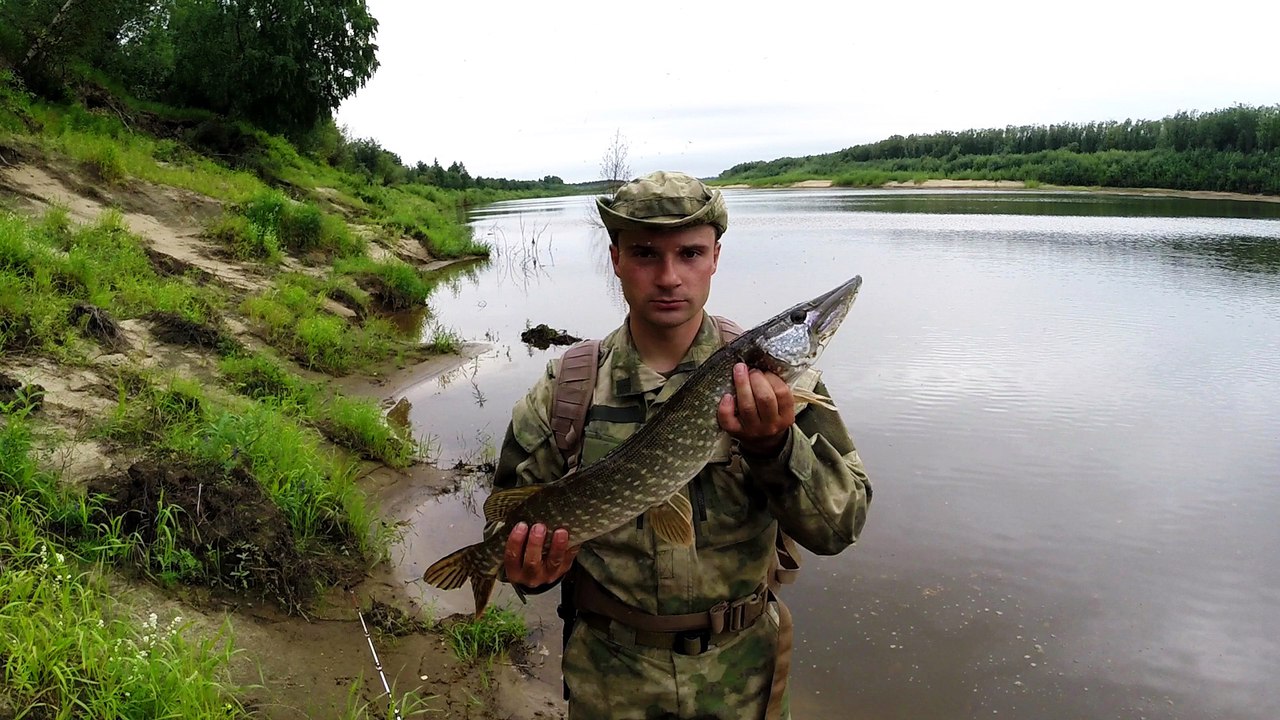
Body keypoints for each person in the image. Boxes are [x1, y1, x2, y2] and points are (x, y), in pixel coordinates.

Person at [487, 170, 872, 719]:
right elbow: (507, 530)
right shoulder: (564, 390)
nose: (669, 277)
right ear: (615, 257)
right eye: (645, 254)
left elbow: (842, 526)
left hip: (745, 687)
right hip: (610, 689)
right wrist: (522, 570)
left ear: (716, 256)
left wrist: (775, 447)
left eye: (690, 254)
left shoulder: (781, 391)